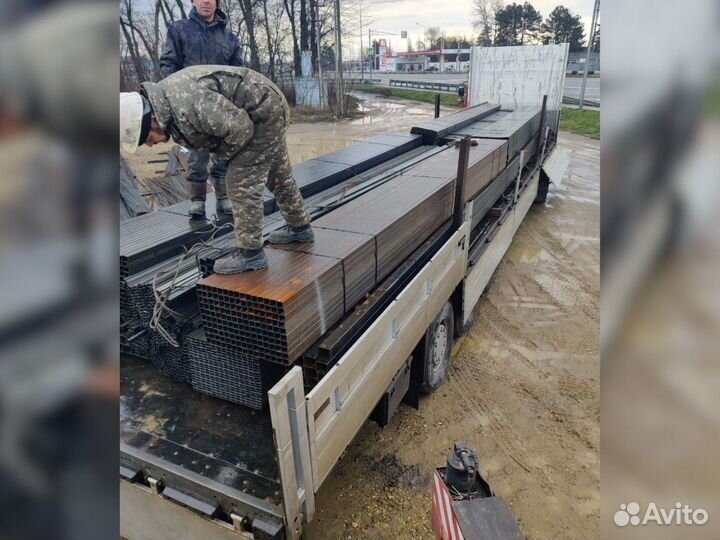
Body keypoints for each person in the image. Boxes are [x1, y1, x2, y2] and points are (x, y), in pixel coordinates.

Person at [119, 66, 315, 274]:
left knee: (240, 182)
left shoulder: (188, 105)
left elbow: (241, 128)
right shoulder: (169, 105)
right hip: (266, 107)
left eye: (146, 139)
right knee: (278, 175)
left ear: (152, 120)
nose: (150, 146)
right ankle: (300, 228)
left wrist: (225, 157)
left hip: (261, 113)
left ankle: (251, 253)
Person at [159, 0, 244, 218]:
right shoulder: (179, 30)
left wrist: (235, 102)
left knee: (224, 153)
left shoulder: (229, 38)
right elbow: (168, 65)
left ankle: (224, 197)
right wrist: (175, 98)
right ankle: (197, 200)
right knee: (197, 154)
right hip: (192, 108)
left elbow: (239, 73)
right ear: (193, 1)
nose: (206, 1)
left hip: (221, 106)